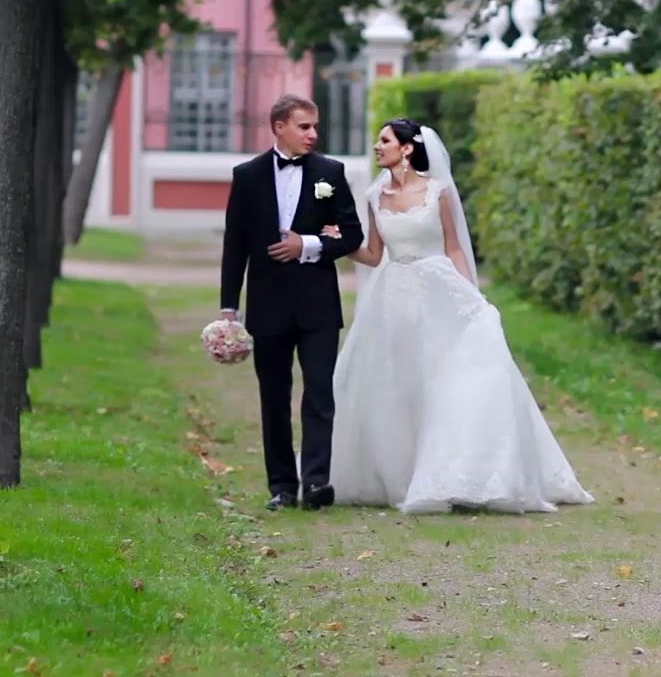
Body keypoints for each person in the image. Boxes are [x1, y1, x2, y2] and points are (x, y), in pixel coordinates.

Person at [323, 118, 595, 514]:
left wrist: (471, 294)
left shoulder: (438, 192)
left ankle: (456, 471)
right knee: (396, 381)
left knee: (446, 376)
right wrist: (340, 245)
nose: (377, 146)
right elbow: (374, 254)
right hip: (393, 294)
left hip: (438, 287)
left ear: (408, 148)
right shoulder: (374, 195)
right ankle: (401, 472)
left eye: (385, 140)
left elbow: (453, 247)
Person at [219, 94, 364, 511]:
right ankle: (281, 485)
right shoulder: (246, 176)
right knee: (274, 395)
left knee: (319, 393)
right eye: (304, 127)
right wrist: (229, 306)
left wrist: (309, 244)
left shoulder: (329, 172)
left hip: (318, 302)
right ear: (278, 126)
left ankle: (317, 481)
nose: (313, 134)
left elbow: (352, 234)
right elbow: (235, 246)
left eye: (315, 126)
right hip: (267, 304)